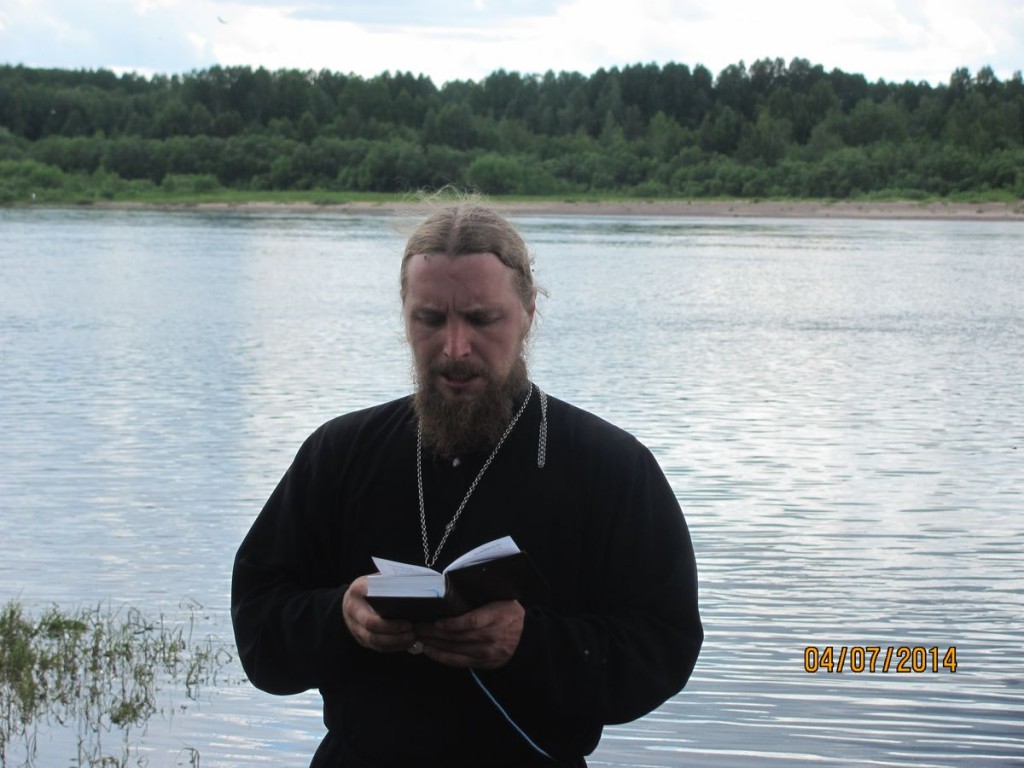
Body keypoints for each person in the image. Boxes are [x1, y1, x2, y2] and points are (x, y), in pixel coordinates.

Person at [231, 199, 703, 768]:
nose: (455, 348)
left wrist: (529, 644)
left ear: (528, 313)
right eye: (430, 320)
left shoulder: (610, 466)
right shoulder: (340, 453)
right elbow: (257, 627)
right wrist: (340, 618)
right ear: (404, 315)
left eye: (481, 319)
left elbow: (664, 647)